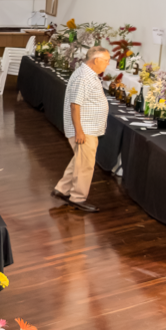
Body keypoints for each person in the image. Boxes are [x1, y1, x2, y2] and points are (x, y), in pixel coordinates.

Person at [52, 46, 111, 213]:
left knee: (80, 160)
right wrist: (79, 130)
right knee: (86, 165)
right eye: (106, 61)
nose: (107, 64)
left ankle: (62, 189)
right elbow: (75, 105)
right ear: (96, 60)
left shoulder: (87, 74)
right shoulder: (84, 77)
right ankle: (78, 198)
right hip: (85, 129)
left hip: (88, 127)